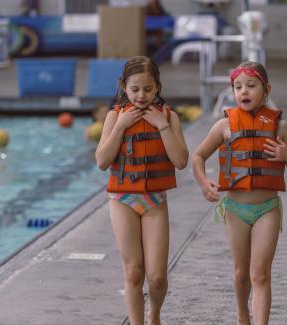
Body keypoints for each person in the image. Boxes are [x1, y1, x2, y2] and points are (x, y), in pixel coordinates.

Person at [192, 61, 287, 324]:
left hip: (268, 209)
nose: (244, 91)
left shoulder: (280, 127)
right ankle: (243, 315)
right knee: (242, 273)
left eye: (251, 86)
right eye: (238, 86)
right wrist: (203, 180)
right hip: (236, 210)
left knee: (260, 274)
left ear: (266, 90)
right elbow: (198, 156)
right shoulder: (224, 126)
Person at [95, 56, 188, 325]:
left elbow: (181, 161)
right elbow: (102, 161)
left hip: (154, 201)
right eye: (135, 89)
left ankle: (154, 314)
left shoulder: (169, 117)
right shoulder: (115, 116)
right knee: (134, 272)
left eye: (148, 89)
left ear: (157, 87)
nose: (141, 95)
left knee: (157, 276)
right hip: (122, 200)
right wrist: (121, 126)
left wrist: (163, 125)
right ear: (123, 86)